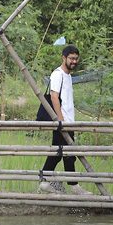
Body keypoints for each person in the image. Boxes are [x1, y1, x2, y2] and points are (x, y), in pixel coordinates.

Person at [38, 45, 92, 195]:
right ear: (64, 58)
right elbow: (54, 96)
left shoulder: (68, 76)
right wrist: (60, 121)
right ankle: (74, 186)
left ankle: (45, 181)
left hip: (68, 121)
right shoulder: (58, 74)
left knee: (60, 152)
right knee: (67, 153)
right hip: (62, 122)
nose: (74, 61)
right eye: (71, 58)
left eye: (76, 58)